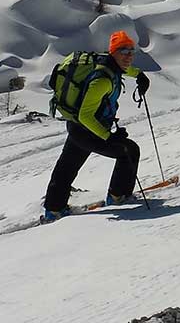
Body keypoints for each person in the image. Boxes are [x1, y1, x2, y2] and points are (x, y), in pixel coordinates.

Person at [42, 31, 151, 220]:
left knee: (66, 167)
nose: (129, 56)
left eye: (131, 51)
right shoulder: (102, 80)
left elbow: (125, 69)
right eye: (123, 51)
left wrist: (139, 74)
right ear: (113, 52)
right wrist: (110, 137)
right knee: (129, 151)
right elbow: (86, 115)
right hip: (87, 129)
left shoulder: (108, 64)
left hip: (76, 127)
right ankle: (118, 197)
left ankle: (54, 209)